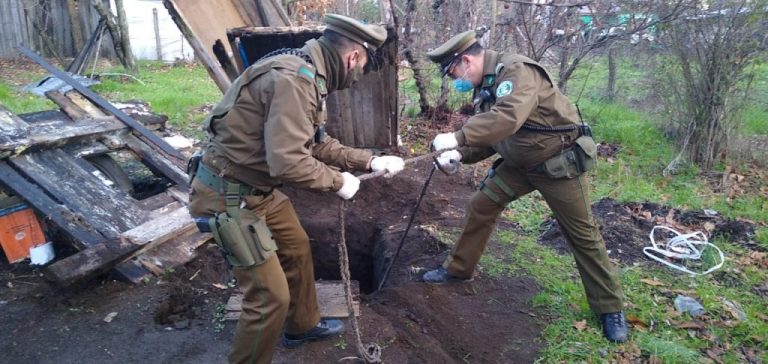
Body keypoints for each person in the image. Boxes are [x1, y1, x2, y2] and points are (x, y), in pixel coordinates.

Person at [187, 14, 404, 364]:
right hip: (230, 197)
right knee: (268, 297)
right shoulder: (295, 80)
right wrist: (338, 182)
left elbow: (315, 144)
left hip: (257, 189)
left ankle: (301, 326)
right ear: (352, 57)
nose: (358, 75)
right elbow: (288, 162)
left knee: (296, 245)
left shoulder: (305, 72)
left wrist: (368, 161)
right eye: (362, 66)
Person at [423, 30, 628, 343]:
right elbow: (493, 136)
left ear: (466, 60)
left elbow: (507, 118)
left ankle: (609, 308)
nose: (456, 81)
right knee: (482, 205)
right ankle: (458, 269)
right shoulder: (485, 86)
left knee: (582, 234)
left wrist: (459, 136)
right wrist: (458, 154)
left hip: (556, 164)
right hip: (519, 166)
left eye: (453, 73)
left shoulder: (517, 72)